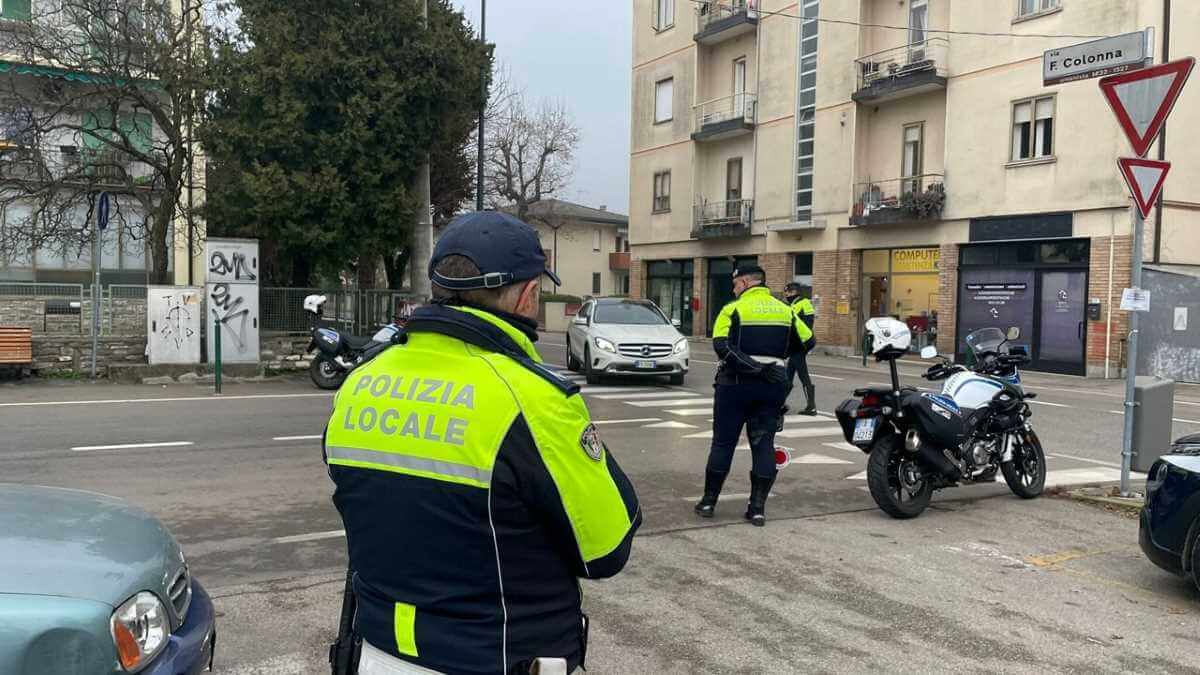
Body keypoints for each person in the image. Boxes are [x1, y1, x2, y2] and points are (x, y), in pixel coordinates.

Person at [323, 211, 641, 675]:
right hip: (498, 656)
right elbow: (606, 551)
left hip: (377, 652)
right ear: (530, 295)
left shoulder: (361, 382)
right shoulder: (532, 399)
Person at [694, 266, 814, 526]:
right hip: (772, 386)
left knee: (723, 443)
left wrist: (752, 367)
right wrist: (778, 357)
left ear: (746, 282)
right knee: (763, 445)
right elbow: (808, 340)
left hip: (734, 385)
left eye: (736, 283)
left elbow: (721, 345)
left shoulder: (732, 309)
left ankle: (707, 502)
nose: (734, 289)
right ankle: (757, 508)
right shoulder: (786, 310)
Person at [783, 282, 817, 416]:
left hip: (800, 344)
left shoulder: (804, 303)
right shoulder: (793, 304)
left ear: (793, 292)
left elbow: (807, 325)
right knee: (789, 374)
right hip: (795, 345)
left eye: (787, 292)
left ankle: (811, 407)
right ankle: (779, 403)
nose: (785, 294)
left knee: (803, 375)